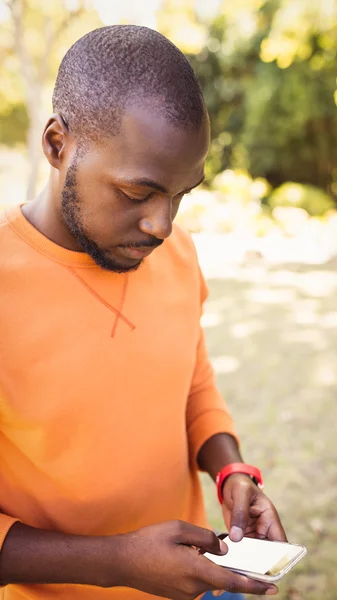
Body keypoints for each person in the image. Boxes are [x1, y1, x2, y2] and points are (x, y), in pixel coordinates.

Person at [0, 25, 287, 600]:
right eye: (138, 194)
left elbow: (193, 383)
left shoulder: (177, 253)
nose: (162, 225)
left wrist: (231, 471)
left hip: (197, 582)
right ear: (58, 145)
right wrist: (120, 562)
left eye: (182, 194)